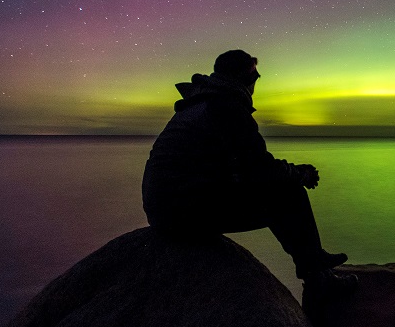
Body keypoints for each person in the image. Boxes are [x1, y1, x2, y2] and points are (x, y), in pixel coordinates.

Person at [142, 49, 356, 295]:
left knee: (279, 187)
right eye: (256, 75)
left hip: (166, 208)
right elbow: (259, 169)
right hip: (181, 213)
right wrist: (300, 174)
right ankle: (318, 276)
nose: (257, 81)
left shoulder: (201, 103)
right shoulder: (225, 107)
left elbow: (241, 167)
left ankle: (314, 261)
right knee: (289, 194)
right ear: (245, 78)